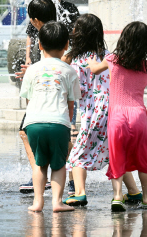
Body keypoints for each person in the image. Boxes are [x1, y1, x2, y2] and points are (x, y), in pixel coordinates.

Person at [88, 21, 147, 211]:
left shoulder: (112, 59)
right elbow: (144, 83)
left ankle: (118, 197)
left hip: (117, 116)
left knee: (117, 158)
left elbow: (94, 70)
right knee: (143, 160)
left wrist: (90, 60)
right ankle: (145, 197)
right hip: (139, 117)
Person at [19, 21, 79, 212]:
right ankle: (57, 202)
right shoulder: (69, 71)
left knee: (39, 163)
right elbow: (71, 104)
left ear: (39, 45)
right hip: (58, 122)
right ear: (67, 45)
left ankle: (37, 202)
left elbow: (28, 100)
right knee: (59, 165)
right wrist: (68, 124)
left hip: (33, 123)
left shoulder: (31, 70)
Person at [62, 14, 110, 207]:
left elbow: (74, 88)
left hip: (93, 113)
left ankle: (80, 193)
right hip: (111, 108)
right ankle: (134, 191)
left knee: (76, 156)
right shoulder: (105, 53)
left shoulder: (75, 58)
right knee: (112, 153)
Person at [18, 0, 58, 194]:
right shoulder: (58, 30)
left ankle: (38, 175)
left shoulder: (46, 35)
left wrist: (31, 72)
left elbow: (50, 64)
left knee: (26, 131)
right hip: (56, 92)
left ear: (35, 19)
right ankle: (57, 178)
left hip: (45, 92)